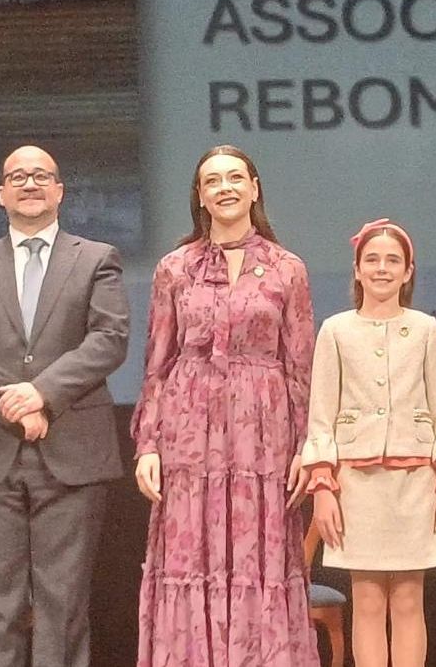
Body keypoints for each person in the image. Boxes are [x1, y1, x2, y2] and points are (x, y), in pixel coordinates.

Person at [0, 145, 130, 667]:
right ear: (0, 194)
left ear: (60, 191)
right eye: (17, 177)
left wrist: (42, 392)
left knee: (62, 604)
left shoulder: (96, 258)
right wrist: (15, 402)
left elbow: (109, 339)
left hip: (73, 451)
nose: (29, 184)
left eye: (40, 176)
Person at [131, 144, 319, 667]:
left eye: (236, 177)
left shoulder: (287, 269)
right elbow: (157, 363)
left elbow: (300, 366)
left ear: (255, 188)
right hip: (188, 436)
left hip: (265, 436)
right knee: (190, 557)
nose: (225, 187)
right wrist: (148, 443)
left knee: (262, 559)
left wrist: (307, 446)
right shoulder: (174, 269)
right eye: (213, 180)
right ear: (200, 195)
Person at [302, 220, 436, 667]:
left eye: (393, 260)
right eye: (371, 259)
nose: (381, 268)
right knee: (369, 601)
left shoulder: (426, 330)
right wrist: (322, 486)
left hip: (416, 483)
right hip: (357, 483)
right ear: (356, 270)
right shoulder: (335, 331)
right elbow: (320, 415)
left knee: (410, 600)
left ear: (408, 271)